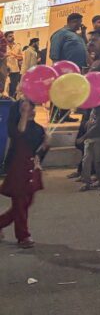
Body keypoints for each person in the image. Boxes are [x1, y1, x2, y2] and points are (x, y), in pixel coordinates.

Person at [0, 99, 48, 247]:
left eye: (32, 108)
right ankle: (23, 236)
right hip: (17, 170)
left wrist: (45, 144)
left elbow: (38, 152)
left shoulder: (39, 128)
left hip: (31, 170)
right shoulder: (14, 126)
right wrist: (24, 113)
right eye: (26, 109)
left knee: (26, 203)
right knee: (20, 204)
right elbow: (19, 134)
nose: (31, 110)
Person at [50, 12, 88, 121]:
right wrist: (57, 67)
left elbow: (86, 45)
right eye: (79, 23)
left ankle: (65, 116)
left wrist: (84, 33)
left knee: (69, 93)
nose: (80, 25)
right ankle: (54, 116)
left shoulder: (77, 34)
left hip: (76, 69)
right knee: (58, 92)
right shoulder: (61, 33)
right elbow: (55, 51)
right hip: (63, 68)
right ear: (73, 22)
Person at [76, 102, 100, 192]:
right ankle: (86, 182)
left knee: (97, 161)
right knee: (86, 160)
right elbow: (93, 123)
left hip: (98, 138)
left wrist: (84, 136)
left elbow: (97, 126)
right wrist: (87, 123)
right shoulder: (94, 110)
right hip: (90, 138)